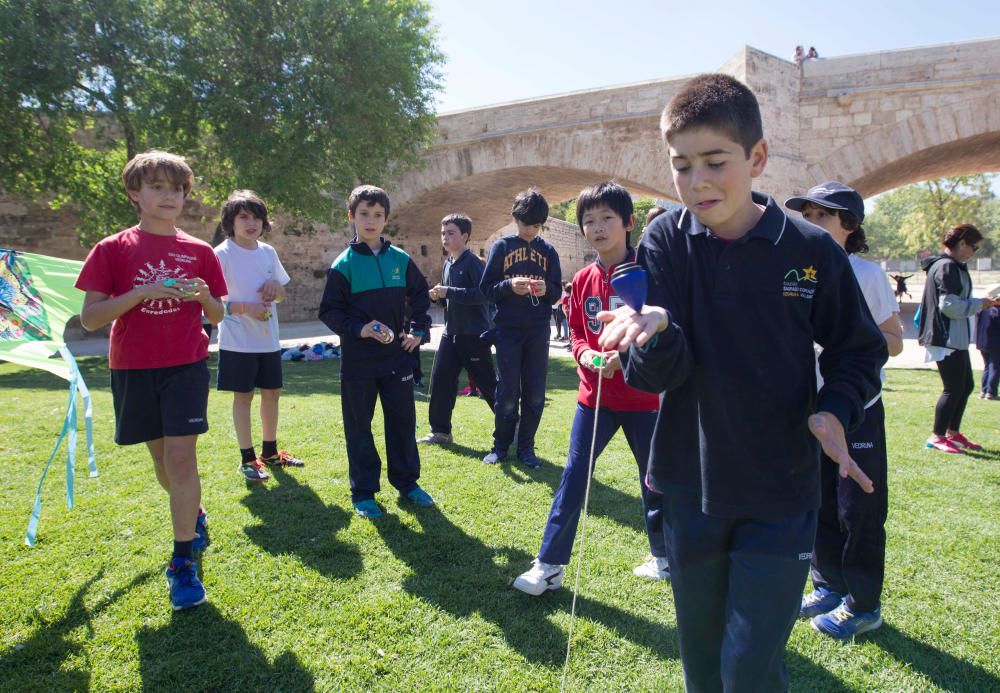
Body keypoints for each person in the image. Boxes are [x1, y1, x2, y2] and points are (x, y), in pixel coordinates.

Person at [596, 74, 886, 691]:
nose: (697, 181)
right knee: (702, 665)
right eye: (681, 165)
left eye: (714, 162)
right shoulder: (665, 239)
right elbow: (656, 374)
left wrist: (835, 410)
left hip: (781, 493)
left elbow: (859, 350)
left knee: (751, 667)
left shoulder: (809, 249)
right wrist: (657, 331)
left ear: (756, 157)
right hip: (688, 489)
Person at [75, 150, 228, 611]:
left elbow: (218, 315)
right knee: (163, 462)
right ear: (135, 194)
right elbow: (89, 318)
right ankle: (194, 512)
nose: (170, 196)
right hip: (132, 368)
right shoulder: (111, 249)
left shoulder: (199, 251)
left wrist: (204, 297)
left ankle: (182, 563)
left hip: (185, 365)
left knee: (181, 459)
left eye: (177, 188)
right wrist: (140, 292)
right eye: (158, 187)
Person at [513, 182, 667, 596]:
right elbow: (579, 334)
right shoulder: (581, 280)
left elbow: (665, 337)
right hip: (594, 399)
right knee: (574, 477)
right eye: (589, 220)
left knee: (655, 479)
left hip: (645, 400)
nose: (597, 227)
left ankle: (665, 555)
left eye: (607, 219)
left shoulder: (650, 274)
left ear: (629, 223)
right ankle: (549, 566)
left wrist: (629, 359)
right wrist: (584, 356)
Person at [785, 181, 903, 638]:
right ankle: (828, 586)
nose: (810, 225)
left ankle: (863, 604)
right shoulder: (797, 271)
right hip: (810, 411)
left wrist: (844, 342)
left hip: (856, 410)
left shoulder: (867, 274)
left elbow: (892, 340)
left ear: (849, 226)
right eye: (807, 216)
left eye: (822, 217)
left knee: (860, 510)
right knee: (821, 504)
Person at [318, 185, 434, 518]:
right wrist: (361, 328)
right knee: (359, 425)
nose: (371, 221)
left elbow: (420, 297)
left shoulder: (400, 259)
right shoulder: (344, 265)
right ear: (351, 217)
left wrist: (419, 331)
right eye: (364, 214)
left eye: (378, 215)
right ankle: (364, 492)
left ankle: (408, 483)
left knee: (402, 421)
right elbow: (330, 311)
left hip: (396, 359)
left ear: (386, 219)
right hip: (359, 363)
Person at [213, 190, 303, 484]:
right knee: (244, 397)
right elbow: (210, 304)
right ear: (231, 221)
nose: (251, 223)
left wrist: (275, 288)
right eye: (244, 217)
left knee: (272, 394)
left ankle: (271, 453)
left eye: (257, 217)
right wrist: (245, 308)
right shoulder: (221, 254)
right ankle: (247, 459)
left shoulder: (268, 252)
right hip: (237, 342)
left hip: (268, 340)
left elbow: (281, 294)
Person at [480, 189, 562, 469]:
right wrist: (508, 286)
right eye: (526, 224)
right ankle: (500, 446)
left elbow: (557, 291)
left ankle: (526, 448)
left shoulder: (548, 251)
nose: (530, 230)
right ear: (516, 219)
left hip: (538, 330)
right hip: (507, 331)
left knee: (536, 393)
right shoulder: (501, 248)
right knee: (507, 392)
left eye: (536, 225)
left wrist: (546, 289)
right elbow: (486, 288)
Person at [917, 224, 999, 452]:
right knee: (953, 388)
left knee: (965, 386)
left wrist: (978, 303)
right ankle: (937, 436)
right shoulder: (947, 267)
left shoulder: (953, 266)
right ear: (961, 243)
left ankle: (952, 433)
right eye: (973, 246)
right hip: (945, 336)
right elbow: (949, 305)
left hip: (954, 337)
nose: (974, 252)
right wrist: (978, 304)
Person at [418, 213, 497, 446]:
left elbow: (484, 296)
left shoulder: (473, 263)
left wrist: (448, 292)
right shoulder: (447, 263)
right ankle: (440, 432)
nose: (445, 237)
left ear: (465, 236)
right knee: (441, 382)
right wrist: (438, 297)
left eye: (450, 233)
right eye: (443, 233)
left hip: (473, 335)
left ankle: (513, 427)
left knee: (488, 386)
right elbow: (450, 300)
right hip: (450, 334)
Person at [976, 303, 999, 399]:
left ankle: (984, 391)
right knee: (995, 367)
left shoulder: (983, 309)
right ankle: (991, 392)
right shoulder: (996, 310)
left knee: (987, 366)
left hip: (982, 342)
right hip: (995, 343)